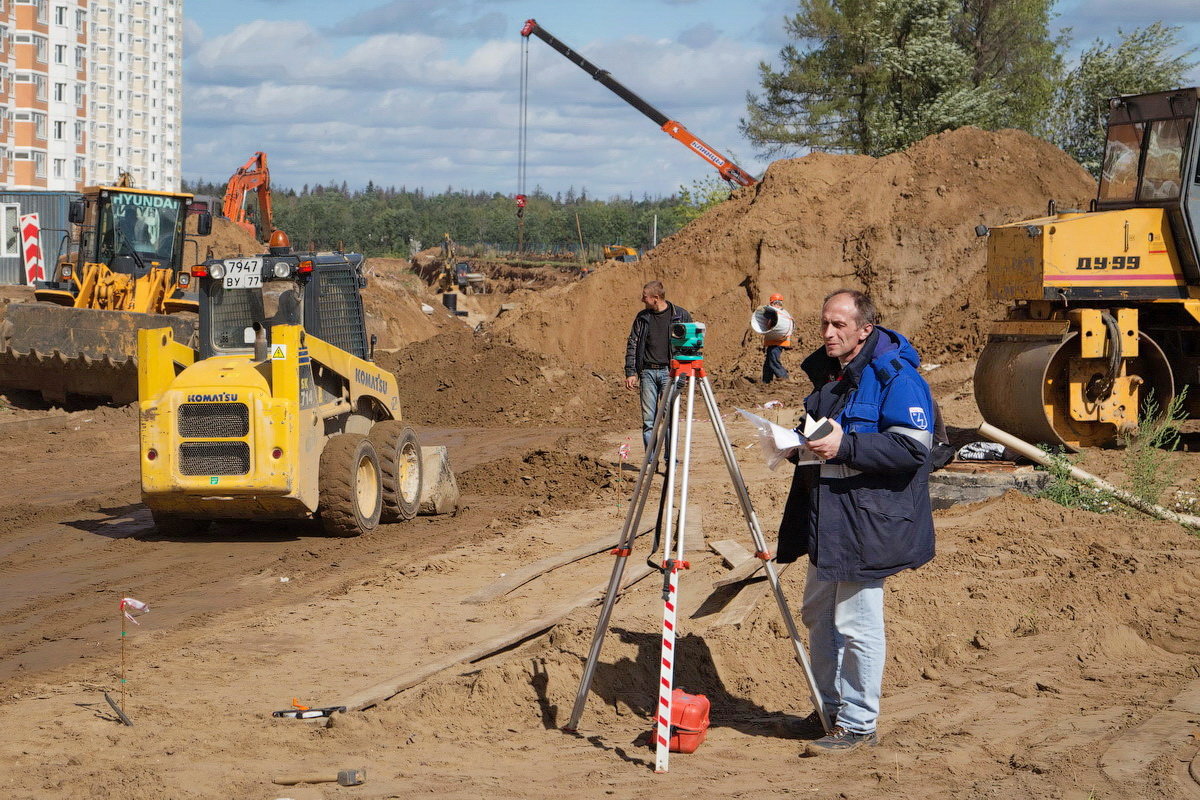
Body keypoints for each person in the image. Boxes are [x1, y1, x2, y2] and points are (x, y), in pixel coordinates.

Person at [777, 288, 935, 756]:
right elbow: (824, 437)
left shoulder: (897, 377)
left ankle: (859, 723)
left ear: (865, 329)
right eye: (825, 323)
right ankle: (830, 710)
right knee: (817, 614)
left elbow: (913, 449)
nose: (827, 333)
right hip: (828, 516)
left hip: (867, 521)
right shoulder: (835, 374)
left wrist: (844, 447)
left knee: (856, 622)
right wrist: (796, 444)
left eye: (839, 325)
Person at [624, 280, 691, 450]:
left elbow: (690, 345)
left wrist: (685, 372)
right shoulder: (642, 318)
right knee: (649, 421)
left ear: (655, 298)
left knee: (670, 419)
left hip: (670, 373)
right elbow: (633, 343)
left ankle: (670, 462)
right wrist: (631, 372)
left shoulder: (681, 315)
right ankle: (651, 461)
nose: (642, 299)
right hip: (647, 373)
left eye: (644, 297)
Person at [760, 293, 793, 384]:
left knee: (773, 359)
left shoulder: (781, 314)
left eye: (776, 303)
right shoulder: (773, 313)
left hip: (779, 341)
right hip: (772, 341)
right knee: (768, 362)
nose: (775, 305)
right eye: (774, 303)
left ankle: (783, 377)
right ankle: (766, 380)